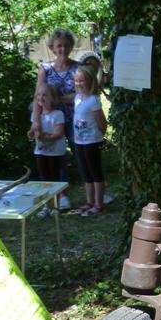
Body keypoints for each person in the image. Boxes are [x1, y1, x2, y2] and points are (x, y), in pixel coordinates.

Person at [32, 29, 78, 210]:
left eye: (67, 45)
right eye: (59, 45)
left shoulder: (78, 67)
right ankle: (61, 195)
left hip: (74, 119)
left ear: (71, 47)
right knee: (54, 158)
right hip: (50, 120)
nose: (63, 49)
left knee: (80, 155)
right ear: (52, 47)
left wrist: (58, 99)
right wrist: (36, 120)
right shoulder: (45, 68)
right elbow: (38, 95)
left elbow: (81, 94)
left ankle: (94, 191)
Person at [71, 66, 108, 216]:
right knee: (86, 173)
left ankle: (99, 204)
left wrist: (98, 136)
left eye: (82, 80)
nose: (79, 83)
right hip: (79, 141)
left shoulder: (93, 100)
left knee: (95, 172)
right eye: (76, 80)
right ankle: (89, 201)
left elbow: (102, 123)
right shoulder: (77, 98)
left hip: (92, 142)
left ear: (90, 81)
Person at [28, 84, 67, 218]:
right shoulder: (35, 115)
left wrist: (43, 136)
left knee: (55, 179)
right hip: (40, 152)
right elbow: (32, 131)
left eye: (45, 95)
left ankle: (56, 206)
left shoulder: (58, 114)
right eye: (39, 94)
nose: (41, 97)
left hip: (55, 153)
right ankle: (45, 206)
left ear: (53, 98)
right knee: (43, 180)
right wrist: (31, 133)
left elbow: (59, 134)